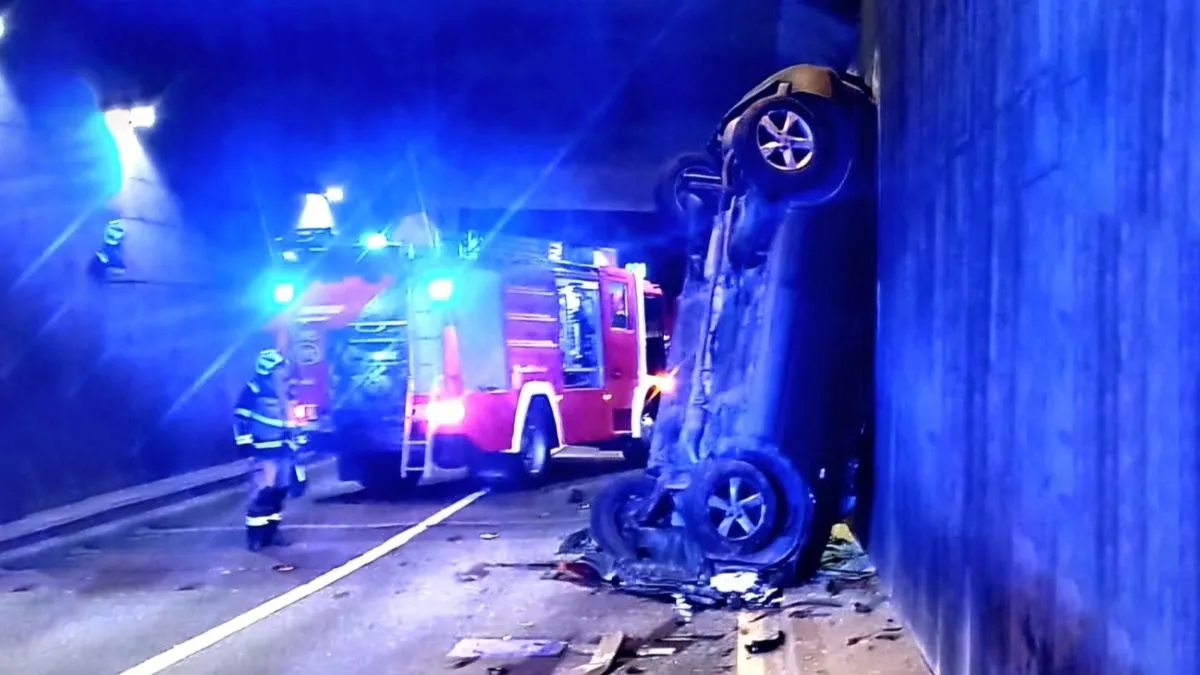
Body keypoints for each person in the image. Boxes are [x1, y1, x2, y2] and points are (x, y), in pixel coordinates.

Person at [233, 349, 307, 551]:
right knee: (262, 492)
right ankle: (255, 537)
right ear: (268, 369)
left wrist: (299, 440)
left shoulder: (284, 390)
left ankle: (273, 532)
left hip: (284, 449)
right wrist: (244, 444)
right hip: (263, 450)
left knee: (280, 491)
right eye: (279, 367)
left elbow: (292, 417)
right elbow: (240, 418)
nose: (283, 371)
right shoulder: (253, 389)